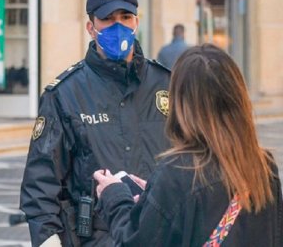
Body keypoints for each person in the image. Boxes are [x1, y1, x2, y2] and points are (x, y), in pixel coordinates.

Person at [20, 0, 172, 246]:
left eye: (125, 17)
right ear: (91, 27)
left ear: (137, 21)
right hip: (97, 237)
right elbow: (40, 186)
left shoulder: (167, 84)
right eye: (108, 19)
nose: (118, 26)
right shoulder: (65, 94)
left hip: (161, 234)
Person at [93, 44, 283, 246]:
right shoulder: (264, 165)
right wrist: (153, 195)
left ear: (181, 103)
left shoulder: (178, 173)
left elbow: (134, 241)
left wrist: (114, 196)